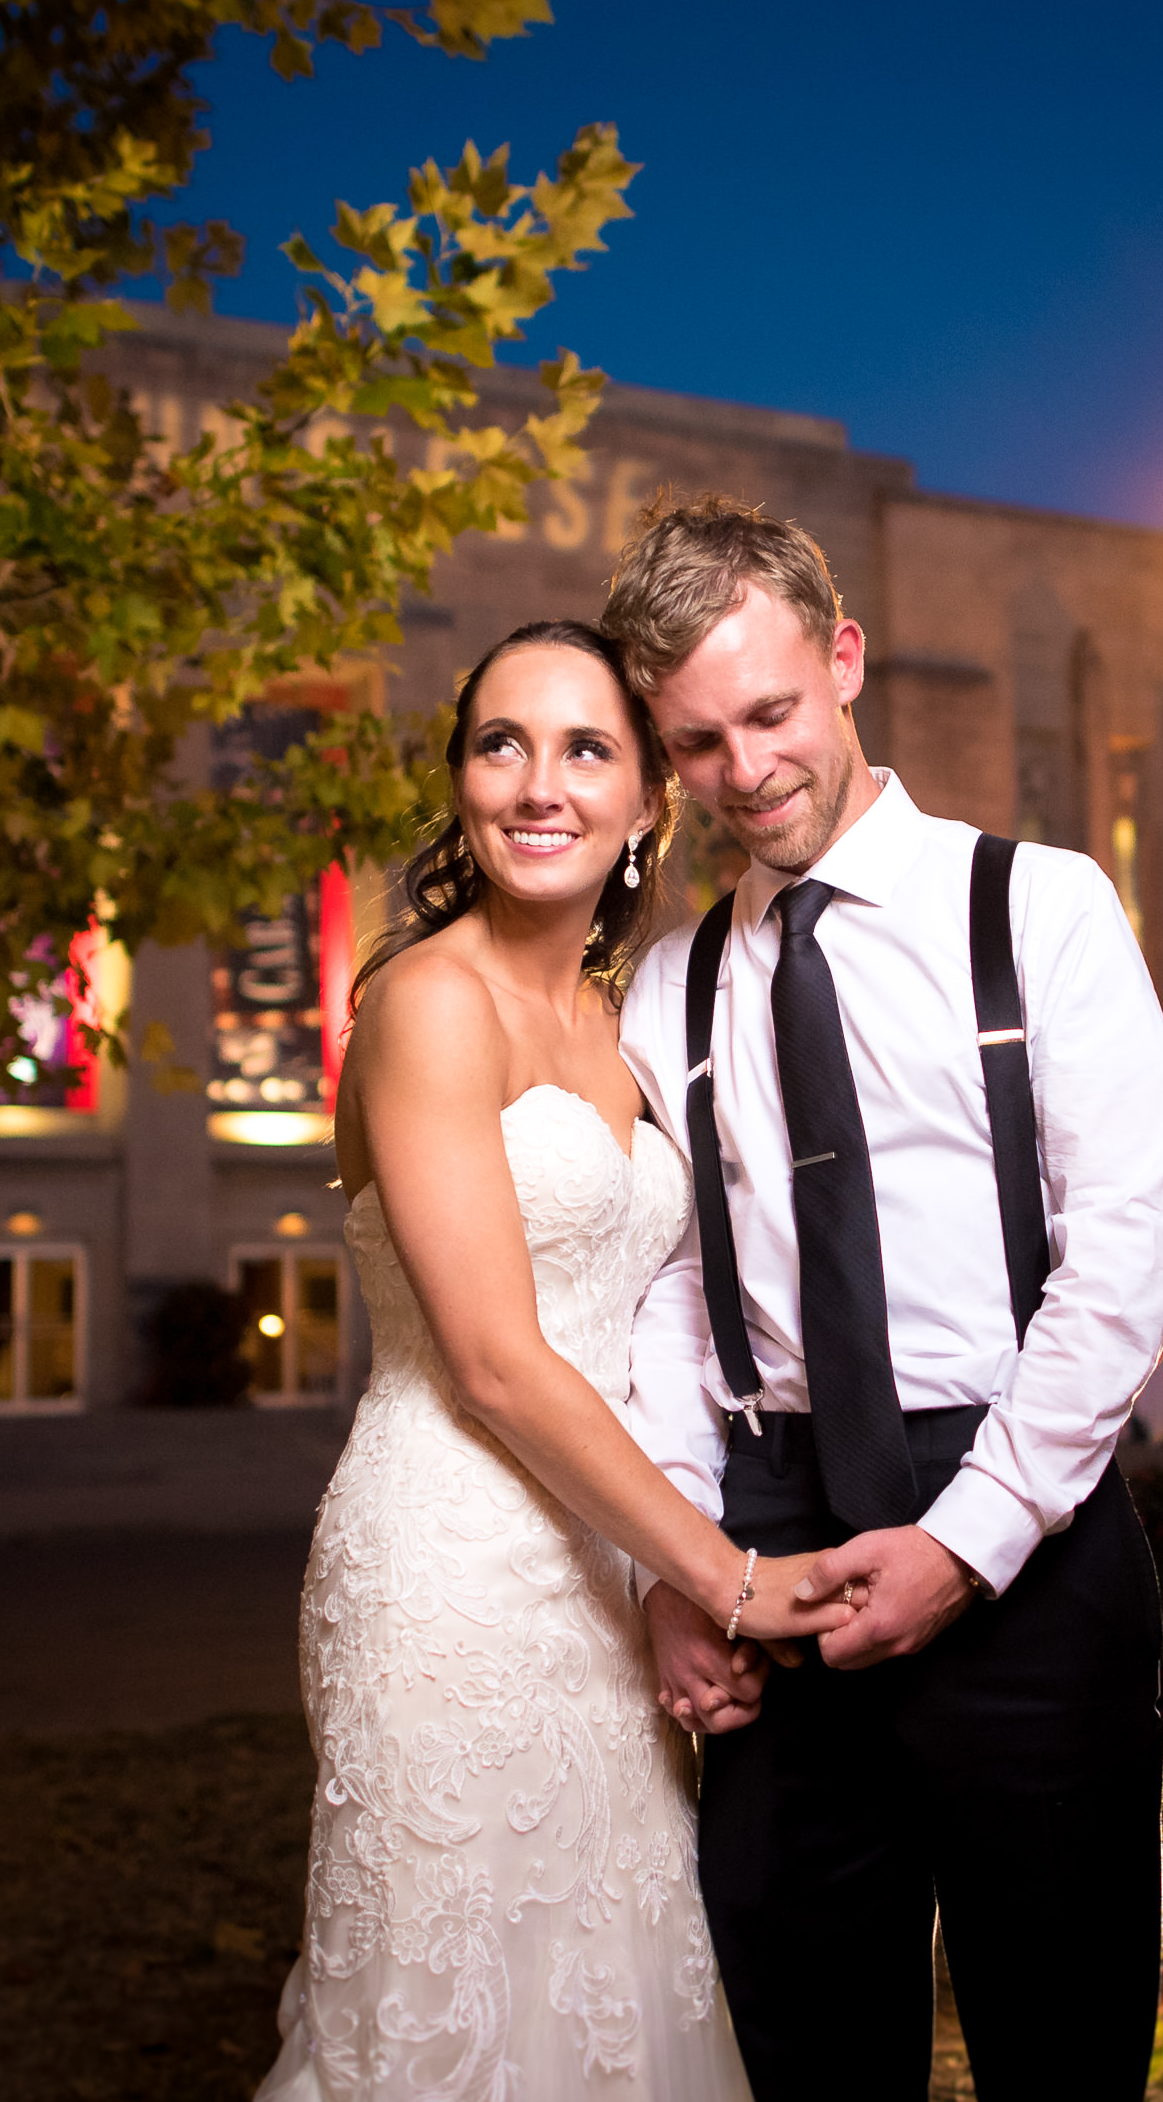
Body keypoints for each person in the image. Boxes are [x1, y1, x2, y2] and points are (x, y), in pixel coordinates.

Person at [606, 498, 1163, 2100]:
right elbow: (670, 1291)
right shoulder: (669, 987)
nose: (746, 770)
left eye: (773, 712)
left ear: (846, 660)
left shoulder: (1042, 905)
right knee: (806, 2049)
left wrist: (968, 1536)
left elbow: (1128, 1250)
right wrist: (682, 1568)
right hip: (769, 1535)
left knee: (1060, 2046)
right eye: (698, 740)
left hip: (1024, 1531)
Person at [258, 619, 859, 2102]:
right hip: (449, 1571)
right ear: (460, 781)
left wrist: (658, 1580)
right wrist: (727, 1574)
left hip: (605, 1578)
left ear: (651, 799)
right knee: (453, 2007)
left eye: (587, 747)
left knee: (614, 1992)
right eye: (500, 743)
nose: (541, 783)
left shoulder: (626, 1018)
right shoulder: (422, 1000)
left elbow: (667, 1310)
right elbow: (496, 1363)